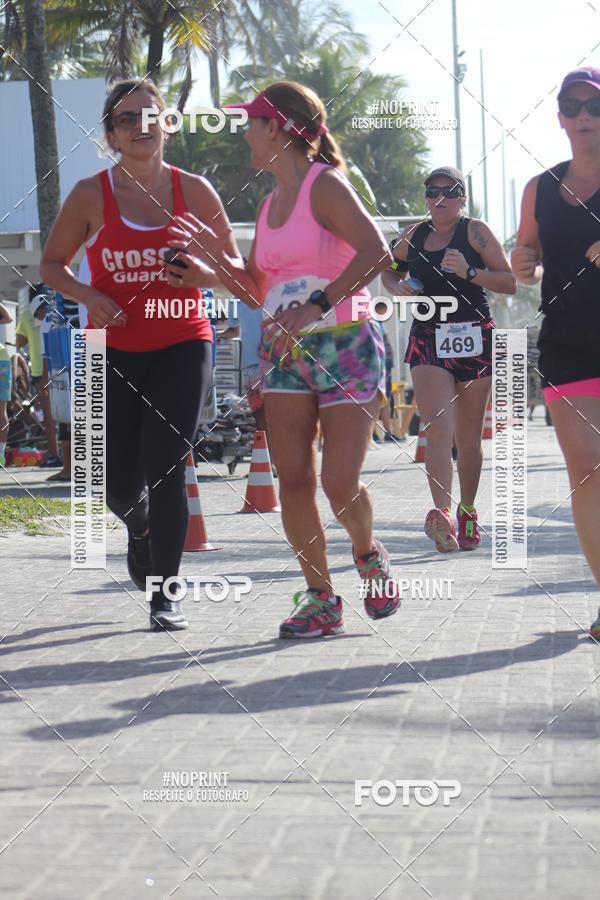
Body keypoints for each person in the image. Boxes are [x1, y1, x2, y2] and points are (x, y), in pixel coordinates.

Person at [167, 81, 399, 638]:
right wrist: (207, 268)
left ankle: (368, 556)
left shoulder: (327, 186)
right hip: (284, 353)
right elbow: (254, 288)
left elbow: (376, 253)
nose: (244, 132)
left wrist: (318, 303)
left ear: (277, 128)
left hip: (345, 344)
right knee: (294, 481)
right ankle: (321, 598)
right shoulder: (268, 205)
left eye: (251, 122)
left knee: (339, 484)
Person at [41, 77, 235, 631]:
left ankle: (165, 594)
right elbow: (53, 265)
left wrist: (203, 274)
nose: (141, 126)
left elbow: (237, 274)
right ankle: (140, 526)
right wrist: (88, 295)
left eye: (151, 115)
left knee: (168, 466)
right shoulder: (89, 195)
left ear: (167, 125)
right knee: (118, 484)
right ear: (110, 135)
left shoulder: (194, 191)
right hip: (114, 348)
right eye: (127, 119)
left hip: (182, 341)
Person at [383, 166, 516, 551]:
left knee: (468, 437)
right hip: (428, 336)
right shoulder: (415, 236)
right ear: (425, 197)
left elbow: (508, 282)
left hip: (474, 336)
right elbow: (386, 272)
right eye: (432, 191)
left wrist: (470, 271)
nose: (439, 198)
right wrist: (400, 289)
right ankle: (441, 515)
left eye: (449, 191)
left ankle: (468, 510)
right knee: (437, 427)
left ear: (462, 198)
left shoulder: (475, 232)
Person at [511, 67, 600, 640]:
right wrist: (524, 261)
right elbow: (527, 249)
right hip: (568, 346)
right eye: (575, 106)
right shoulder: (539, 188)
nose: (586, 116)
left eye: (595, 105)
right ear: (561, 117)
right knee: (588, 473)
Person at [16, 288, 62, 469]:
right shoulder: (59, 311)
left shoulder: (28, 314)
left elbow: (18, 342)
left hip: (39, 371)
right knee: (69, 415)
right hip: (62, 369)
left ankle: (53, 455)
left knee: (50, 417)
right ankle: (72, 456)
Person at [0, 301, 13, 466]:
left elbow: (8, 319)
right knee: (1, 411)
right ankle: (0, 454)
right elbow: (8, 318)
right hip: (2, 358)